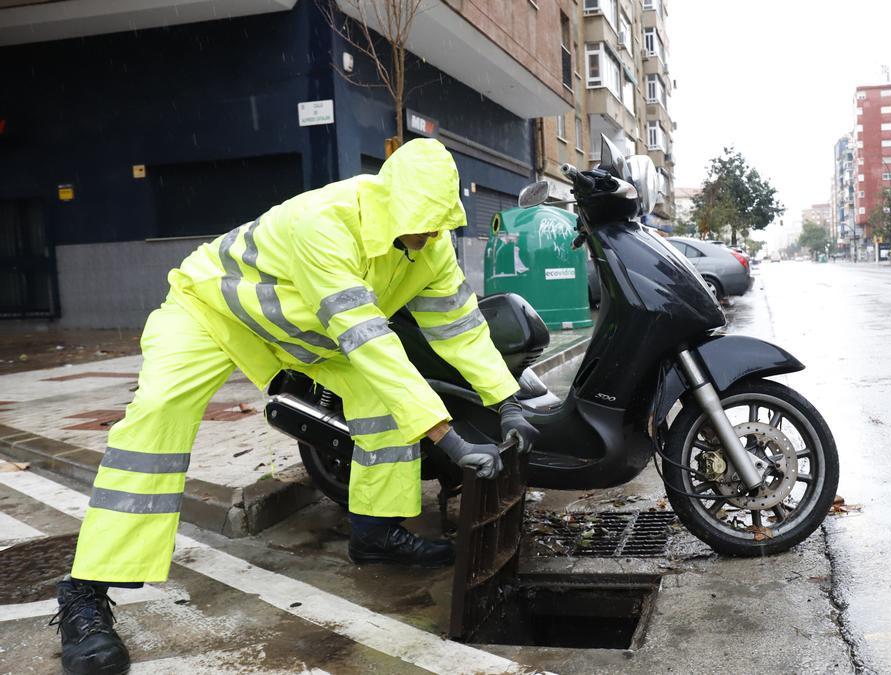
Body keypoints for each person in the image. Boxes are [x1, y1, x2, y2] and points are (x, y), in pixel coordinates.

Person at [51, 139, 539, 674]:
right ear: (390, 203)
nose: (426, 237)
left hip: (301, 333)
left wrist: (508, 401)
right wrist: (448, 437)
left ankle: (376, 535)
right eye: (418, 223)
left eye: (437, 224)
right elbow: (368, 338)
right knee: (157, 419)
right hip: (211, 309)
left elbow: (460, 328)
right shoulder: (326, 223)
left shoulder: (432, 246)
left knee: (383, 401)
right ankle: (86, 593)